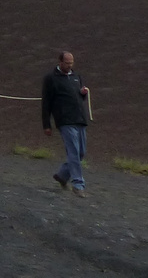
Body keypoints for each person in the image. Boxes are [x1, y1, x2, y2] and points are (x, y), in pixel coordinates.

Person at [42, 50, 92, 195]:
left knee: (81, 152)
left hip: (80, 119)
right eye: (67, 63)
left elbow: (79, 99)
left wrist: (83, 94)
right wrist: (46, 124)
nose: (70, 66)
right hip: (65, 120)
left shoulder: (77, 77)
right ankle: (78, 184)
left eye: (71, 63)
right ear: (60, 62)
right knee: (73, 152)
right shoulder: (51, 79)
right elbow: (46, 103)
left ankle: (63, 175)